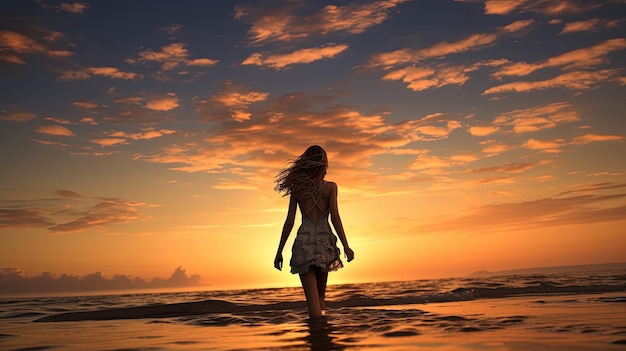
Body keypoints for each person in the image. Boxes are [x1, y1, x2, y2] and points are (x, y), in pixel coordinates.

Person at [274, 145, 354, 319]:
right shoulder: (331, 188)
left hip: (304, 242)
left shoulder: (297, 189)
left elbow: (290, 221)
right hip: (325, 242)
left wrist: (279, 251)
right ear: (323, 164)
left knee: (312, 298)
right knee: (320, 297)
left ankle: (317, 334)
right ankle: (321, 334)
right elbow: (335, 218)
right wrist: (346, 246)